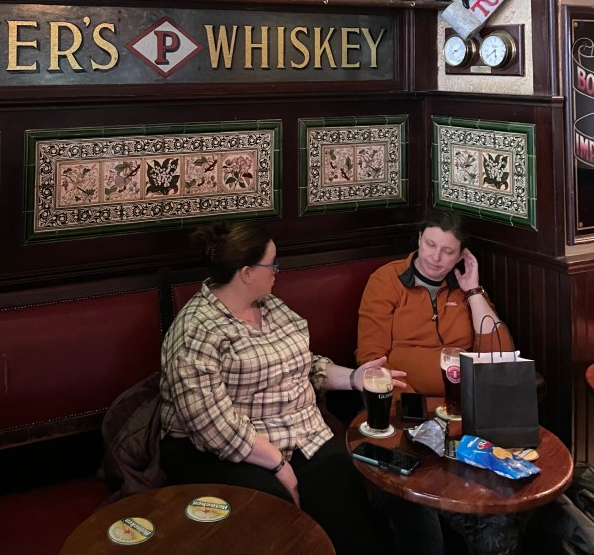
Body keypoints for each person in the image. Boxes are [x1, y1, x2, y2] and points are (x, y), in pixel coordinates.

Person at [160, 221, 409, 555]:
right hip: (221, 449)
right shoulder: (197, 331)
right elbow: (211, 426)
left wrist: (354, 378)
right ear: (246, 272)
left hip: (296, 431)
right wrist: (278, 465)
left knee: (343, 476)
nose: (278, 271)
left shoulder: (270, 306)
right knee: (272, 503)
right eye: (272, 263)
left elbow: (303, 364)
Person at [356, 210, 514, 395]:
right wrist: (410, 406)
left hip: (468, 398)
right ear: (419, 239)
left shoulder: (466, 287)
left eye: (448, 251)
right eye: (430, 244)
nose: (436, 257)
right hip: (406, 401)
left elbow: (501, 354)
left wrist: (473, 292)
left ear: (462, 256)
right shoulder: (386, 280)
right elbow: (372, 358)